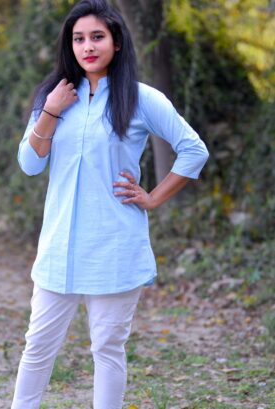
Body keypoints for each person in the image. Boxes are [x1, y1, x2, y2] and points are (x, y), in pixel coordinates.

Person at [11, 0, 209, 408]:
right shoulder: (54, 96)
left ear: (116, 42)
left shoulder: (140, 98)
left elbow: (194, 150)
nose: (88, 46)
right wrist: (50, 111)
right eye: (79, 38)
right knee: (38, 347)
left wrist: (153, 197)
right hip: (59, 247)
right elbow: (30, 164)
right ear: (69, 45)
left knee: (107, 349)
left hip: (114, 245)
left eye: (97, 37)